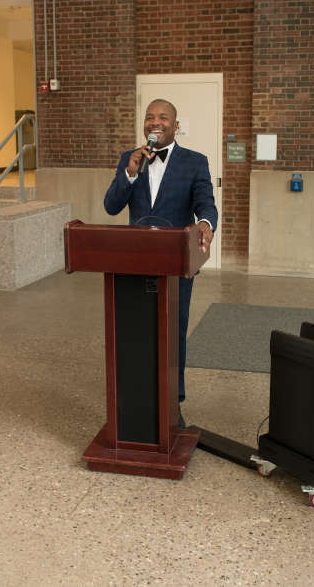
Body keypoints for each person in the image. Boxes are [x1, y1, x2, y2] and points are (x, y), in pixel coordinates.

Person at [104, 99, 218, 414]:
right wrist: (128, 174)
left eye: (163, 117)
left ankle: (173, 401)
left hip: (175, 263)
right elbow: (111, 206)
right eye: (150, 117)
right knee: (136, 331)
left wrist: (206, 224)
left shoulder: (195, 162)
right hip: (135, 262)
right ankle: (137, 398)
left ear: (175, 125)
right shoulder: (130, 159)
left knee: (174, 332)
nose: (156, 122)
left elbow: (205, 202)